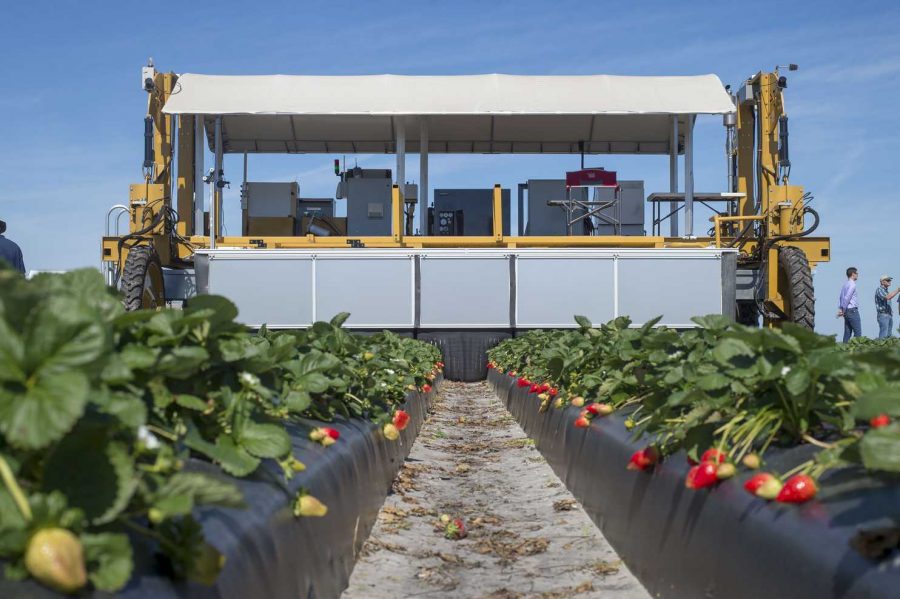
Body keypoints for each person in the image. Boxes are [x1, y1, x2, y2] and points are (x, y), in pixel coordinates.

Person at [838, 267, 861, 342]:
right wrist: (843, 310)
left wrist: (841, 309)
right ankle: (856, 351)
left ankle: (844, 350)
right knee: (858, 333)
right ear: (853, 274)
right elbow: (847, 297)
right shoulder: (852, 285)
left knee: (847, 333)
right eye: (857, 273)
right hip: (852, 311)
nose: (858, 275)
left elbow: (841, 297)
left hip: (846, 311)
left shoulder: (845, 284)